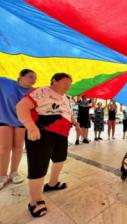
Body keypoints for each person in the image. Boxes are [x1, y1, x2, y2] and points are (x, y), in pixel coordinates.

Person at [16, 73, 75, 217]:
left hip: (62, 135)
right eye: (65, 82)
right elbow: (21, 106)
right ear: (54, 81)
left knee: (60, 160)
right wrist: (30, 125)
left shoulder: (66, 98)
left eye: (70, 83)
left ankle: (52, 184)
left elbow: (68, 113)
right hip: (42, 132)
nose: (68, 86)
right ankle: (34, 201)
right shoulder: (42, 91)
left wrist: (76, 124)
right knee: (38, 166)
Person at [0, 69, 37, 190]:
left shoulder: (33, 91)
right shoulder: (5, 82)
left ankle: (14, 172)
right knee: (5, 148)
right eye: (31, 77)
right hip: (4, 119)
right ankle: (2, 175)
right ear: (21, 76)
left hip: (21, 122)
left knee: (18, 147)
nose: (34, 80)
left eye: (35, 78)